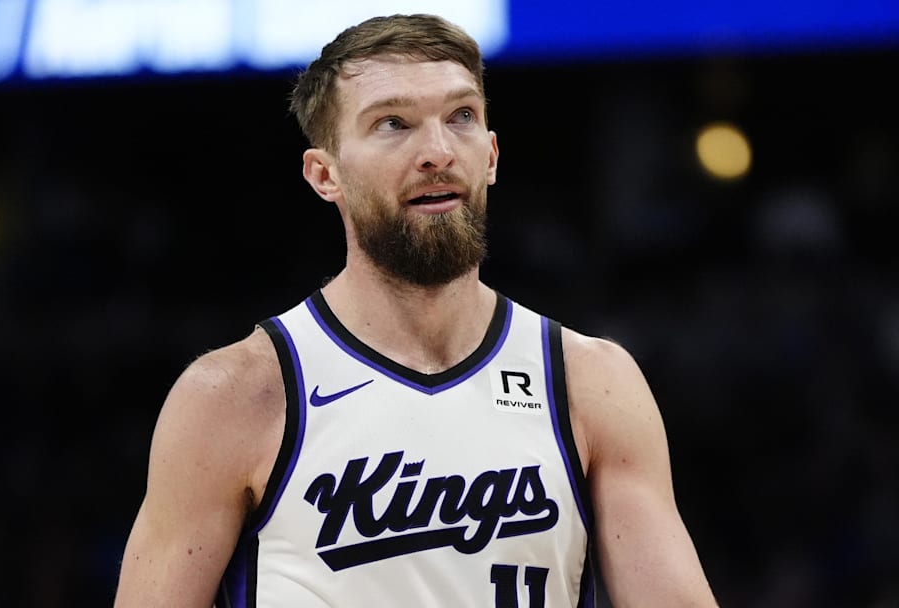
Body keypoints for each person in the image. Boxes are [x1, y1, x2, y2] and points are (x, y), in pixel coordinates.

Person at [112, 13, 719, 608]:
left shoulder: (590, 382)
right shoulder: (233, 396)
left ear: (491, 154)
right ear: (326, 175)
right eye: (393, 124)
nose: (437, 151)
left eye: (461, 117)